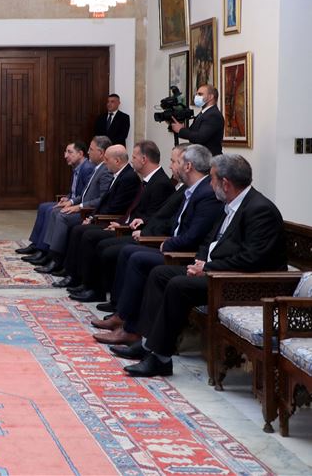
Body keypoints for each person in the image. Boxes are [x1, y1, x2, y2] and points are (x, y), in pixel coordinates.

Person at [114, 154, 287, 378]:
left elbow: (252, 259)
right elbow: (209, 241)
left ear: (226, 183)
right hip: (218, 271)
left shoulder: (259, 210)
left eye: (212, 179)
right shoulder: (231, 204)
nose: (210, 184)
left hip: (241, 282)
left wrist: (208, 268)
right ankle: (147, 343)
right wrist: (200, 261)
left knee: (178, 285)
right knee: (159, 273)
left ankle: (161, 358)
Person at [93, 144, 222, 345]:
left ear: (188, 166)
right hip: (173, 248)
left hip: (182, 255)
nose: (172, 166)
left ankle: (130, 328)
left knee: (137, 258)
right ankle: (123, 318)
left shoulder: (206, 194)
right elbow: (173, 222)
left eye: (176, 162)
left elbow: (194, 236)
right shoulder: (192, 190)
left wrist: (168, 244)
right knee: (129, 252)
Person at [58, 140, 174, 299]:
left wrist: (123, 225)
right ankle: (82, 281)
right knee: (82, 231)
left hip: (138, 233)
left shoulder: (160, 183)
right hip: (126, 225)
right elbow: (134, 211)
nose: (131, 160)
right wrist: (119, 223)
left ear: (144, 159)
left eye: (134, 157)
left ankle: (95, 288)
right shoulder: (147, 180)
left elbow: (153, 217)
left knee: (92, 237)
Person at [24, 136, 112, 267]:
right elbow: (83, 194)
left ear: (101, 153)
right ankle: (45, 251)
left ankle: (55, 258)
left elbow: (103, 199)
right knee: (51, 210)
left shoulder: (102, 170)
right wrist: (71, 201)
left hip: (89, 211)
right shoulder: (96, 168)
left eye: (91, 149)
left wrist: (79, 206)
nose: (88, 152)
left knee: (61, 215)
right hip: (81, 206)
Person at [16, 141, 94, 257]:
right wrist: (67, 197)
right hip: (72, 201)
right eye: (65, 152)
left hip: (79, 206)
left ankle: (43, 249)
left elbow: (85, 194)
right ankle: (35, 244)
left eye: (70, 152)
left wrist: (71, 201)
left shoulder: (87, 169)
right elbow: (74, 191)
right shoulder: (77, 167)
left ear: (80, 154)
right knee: (43, 207)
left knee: (51, 210)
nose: (65, 156)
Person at [170, 84, 224, 156]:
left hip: (209, 158)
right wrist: (181, 127)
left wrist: (181, 130)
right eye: (196, 94)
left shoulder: (213, 115)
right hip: (201, 157)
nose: (196, 96)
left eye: (200, 94)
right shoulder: (203, 113)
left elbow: (200, 137)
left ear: (211, 97)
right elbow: (193, 133)